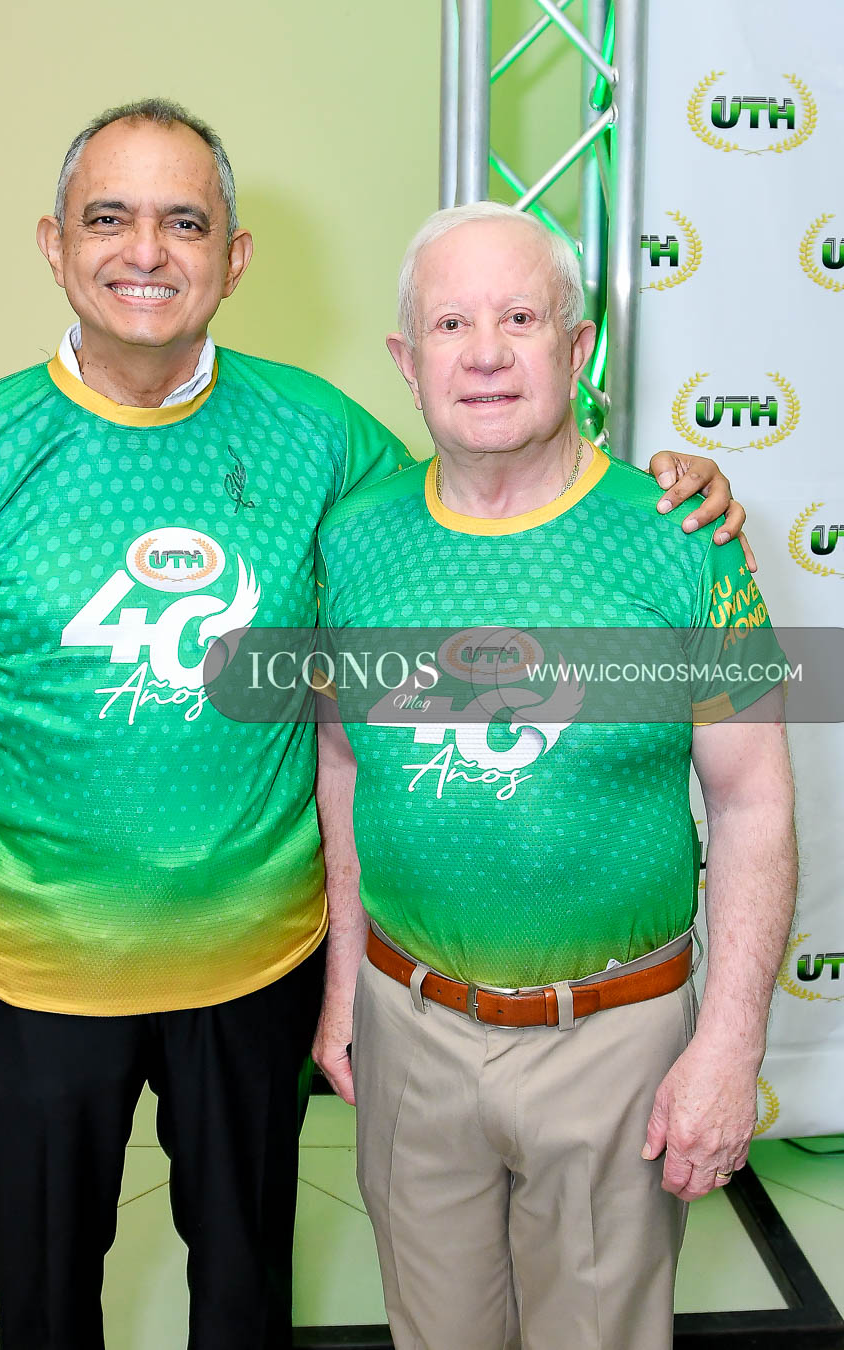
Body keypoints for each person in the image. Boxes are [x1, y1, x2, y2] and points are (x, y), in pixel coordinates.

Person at [0, 100, 745, 1350]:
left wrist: (672, 490)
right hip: (30, 972)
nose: (145, 251)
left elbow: (492, 477)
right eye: (109, 218)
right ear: (53, 243)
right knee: (42, 1298)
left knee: (247, 1294)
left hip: (257, 967)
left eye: (184, 222)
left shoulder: (320, 435)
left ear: (234, 257)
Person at [312, 201, 797, 1350]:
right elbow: (341, 764)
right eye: (451, 324)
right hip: (408, 1027)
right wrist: (341, 992)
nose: (484, 353)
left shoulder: (680, 535)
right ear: (407, 361)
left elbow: (753, 801)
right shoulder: (355, 539)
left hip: (616, 1045)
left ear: (578, 349)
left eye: (521, 319)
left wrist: (730, 1048)